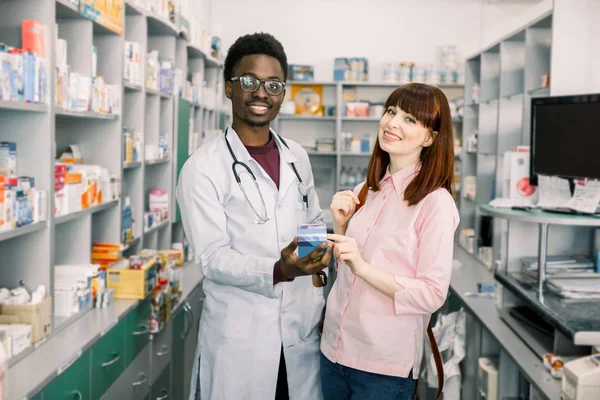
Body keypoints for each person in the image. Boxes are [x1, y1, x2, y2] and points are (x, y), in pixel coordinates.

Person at [176, 32, 333, 400]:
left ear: (282, 92)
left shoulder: (297, 157)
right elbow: (212, 258)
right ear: (229, 88)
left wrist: (317, 262)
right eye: (249, 81)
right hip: (241, 344)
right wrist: (280, 270)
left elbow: (312, 222)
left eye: (273, 84)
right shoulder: (203, 168)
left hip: (299, 336)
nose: (262, 93)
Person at [320, 83, 459, 400]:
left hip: (381, 367)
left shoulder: (434, 203)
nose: (393, 123)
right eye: (391, 112)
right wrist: (341, 227)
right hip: (333, 350)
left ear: (430, 137)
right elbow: (347, 276)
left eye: (410, 119)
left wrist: (363, 267)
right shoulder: (366, 189)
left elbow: (432, 294)